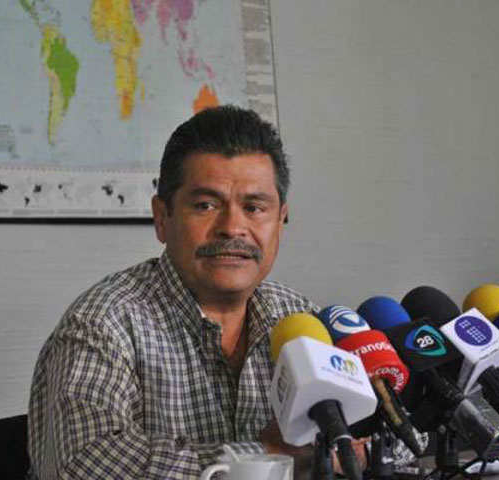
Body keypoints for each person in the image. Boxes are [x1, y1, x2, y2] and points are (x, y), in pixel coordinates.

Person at [27, 105, 319, 479]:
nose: (232, 227)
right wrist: (263, 455)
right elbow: (83, 465)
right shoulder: (103, 323)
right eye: (206, 205)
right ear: (162, 218)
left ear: (280, 221)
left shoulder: (301, 318)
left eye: (254, 207)